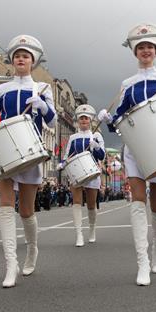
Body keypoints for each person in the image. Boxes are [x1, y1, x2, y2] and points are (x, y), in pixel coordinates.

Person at [97, 24, 156, 286]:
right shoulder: (128, 84)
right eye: (141, 47)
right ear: (135, 52)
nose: (145, 50)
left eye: (150, 47)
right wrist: (107, 119)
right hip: (135, 149)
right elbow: (120, 122)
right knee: (138, 202)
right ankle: (142, 262)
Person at [0, 35, 55, 287]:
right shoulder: (2, 89)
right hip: (4, 151)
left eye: (25, 56)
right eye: (17, 55)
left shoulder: (42, 88)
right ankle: (10, 264)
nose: (21, 59)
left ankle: (31, 250)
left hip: (30, 151)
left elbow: (52, 122)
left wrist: (42, 106)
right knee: (6, 206)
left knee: (26, 210)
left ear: (33, 61)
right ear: (12, 60)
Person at [57, 104, 105, 246]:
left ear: (90, 120)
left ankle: (92, 229)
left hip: (91, 172)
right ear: (78, 121)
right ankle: (78, 234)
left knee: (91, 205)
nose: (83, 121)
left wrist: (95, 147)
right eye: (81, 119)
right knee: (76, 203)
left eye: (86, 118)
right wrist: (62, 163)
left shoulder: (96, 135)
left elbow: (101, 155)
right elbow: (67, 155)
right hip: (76, 172)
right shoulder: (73, 137)